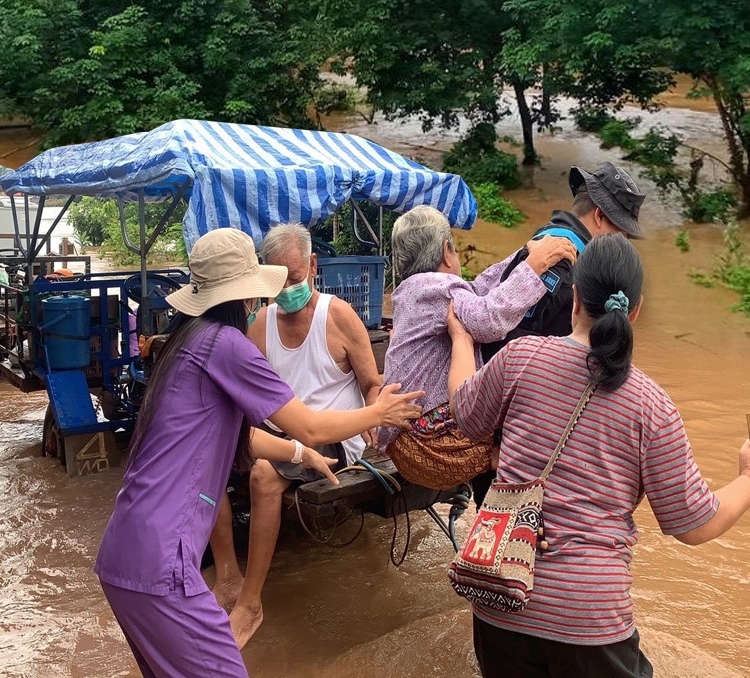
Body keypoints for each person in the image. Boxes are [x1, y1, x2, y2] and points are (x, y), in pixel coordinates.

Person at [446, 234, 750, 678]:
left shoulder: (519, 358)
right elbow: (695, 525)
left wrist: (461, 339)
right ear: (635, 310)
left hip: (499, 602)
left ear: (575, 298)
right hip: (589, 619)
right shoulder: (652, 406)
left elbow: (465, 413)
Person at [94, 228, 423, 678]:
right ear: (247, 296)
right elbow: (308, 424)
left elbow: (238, 436)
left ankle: (235, 586)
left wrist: (299, 453)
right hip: (162, 562)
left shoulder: (187, 344)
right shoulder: (228, 345)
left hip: (122, 556)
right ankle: (242, 595)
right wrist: (378, 413)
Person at [207, 223, 384, 648]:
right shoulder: (260, 323)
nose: (288, 287)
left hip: (334, 437)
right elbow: (246, 394)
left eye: (295, 276)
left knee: (264, 474)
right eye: (278, 278)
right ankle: (228, 576)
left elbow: (370, 381)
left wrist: (375, 414)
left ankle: (251, 603)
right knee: (209, 452)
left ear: (312, 265)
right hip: (286, 432)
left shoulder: (338, 315)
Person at [471, 162, 647, 506]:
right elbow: (513, 346)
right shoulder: (562, 262)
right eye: (621, 233)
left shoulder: (546, 245)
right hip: (519, 447)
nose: (621, 244)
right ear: (599, 216)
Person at [375, 206, 577, 456]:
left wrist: (525, 254)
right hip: (426, 437)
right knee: (519, 358)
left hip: (406, 433)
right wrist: (535, 265)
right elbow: (488, 320)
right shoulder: (435, 287)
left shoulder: (413, 290)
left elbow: (478, 288)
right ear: (447, 253)